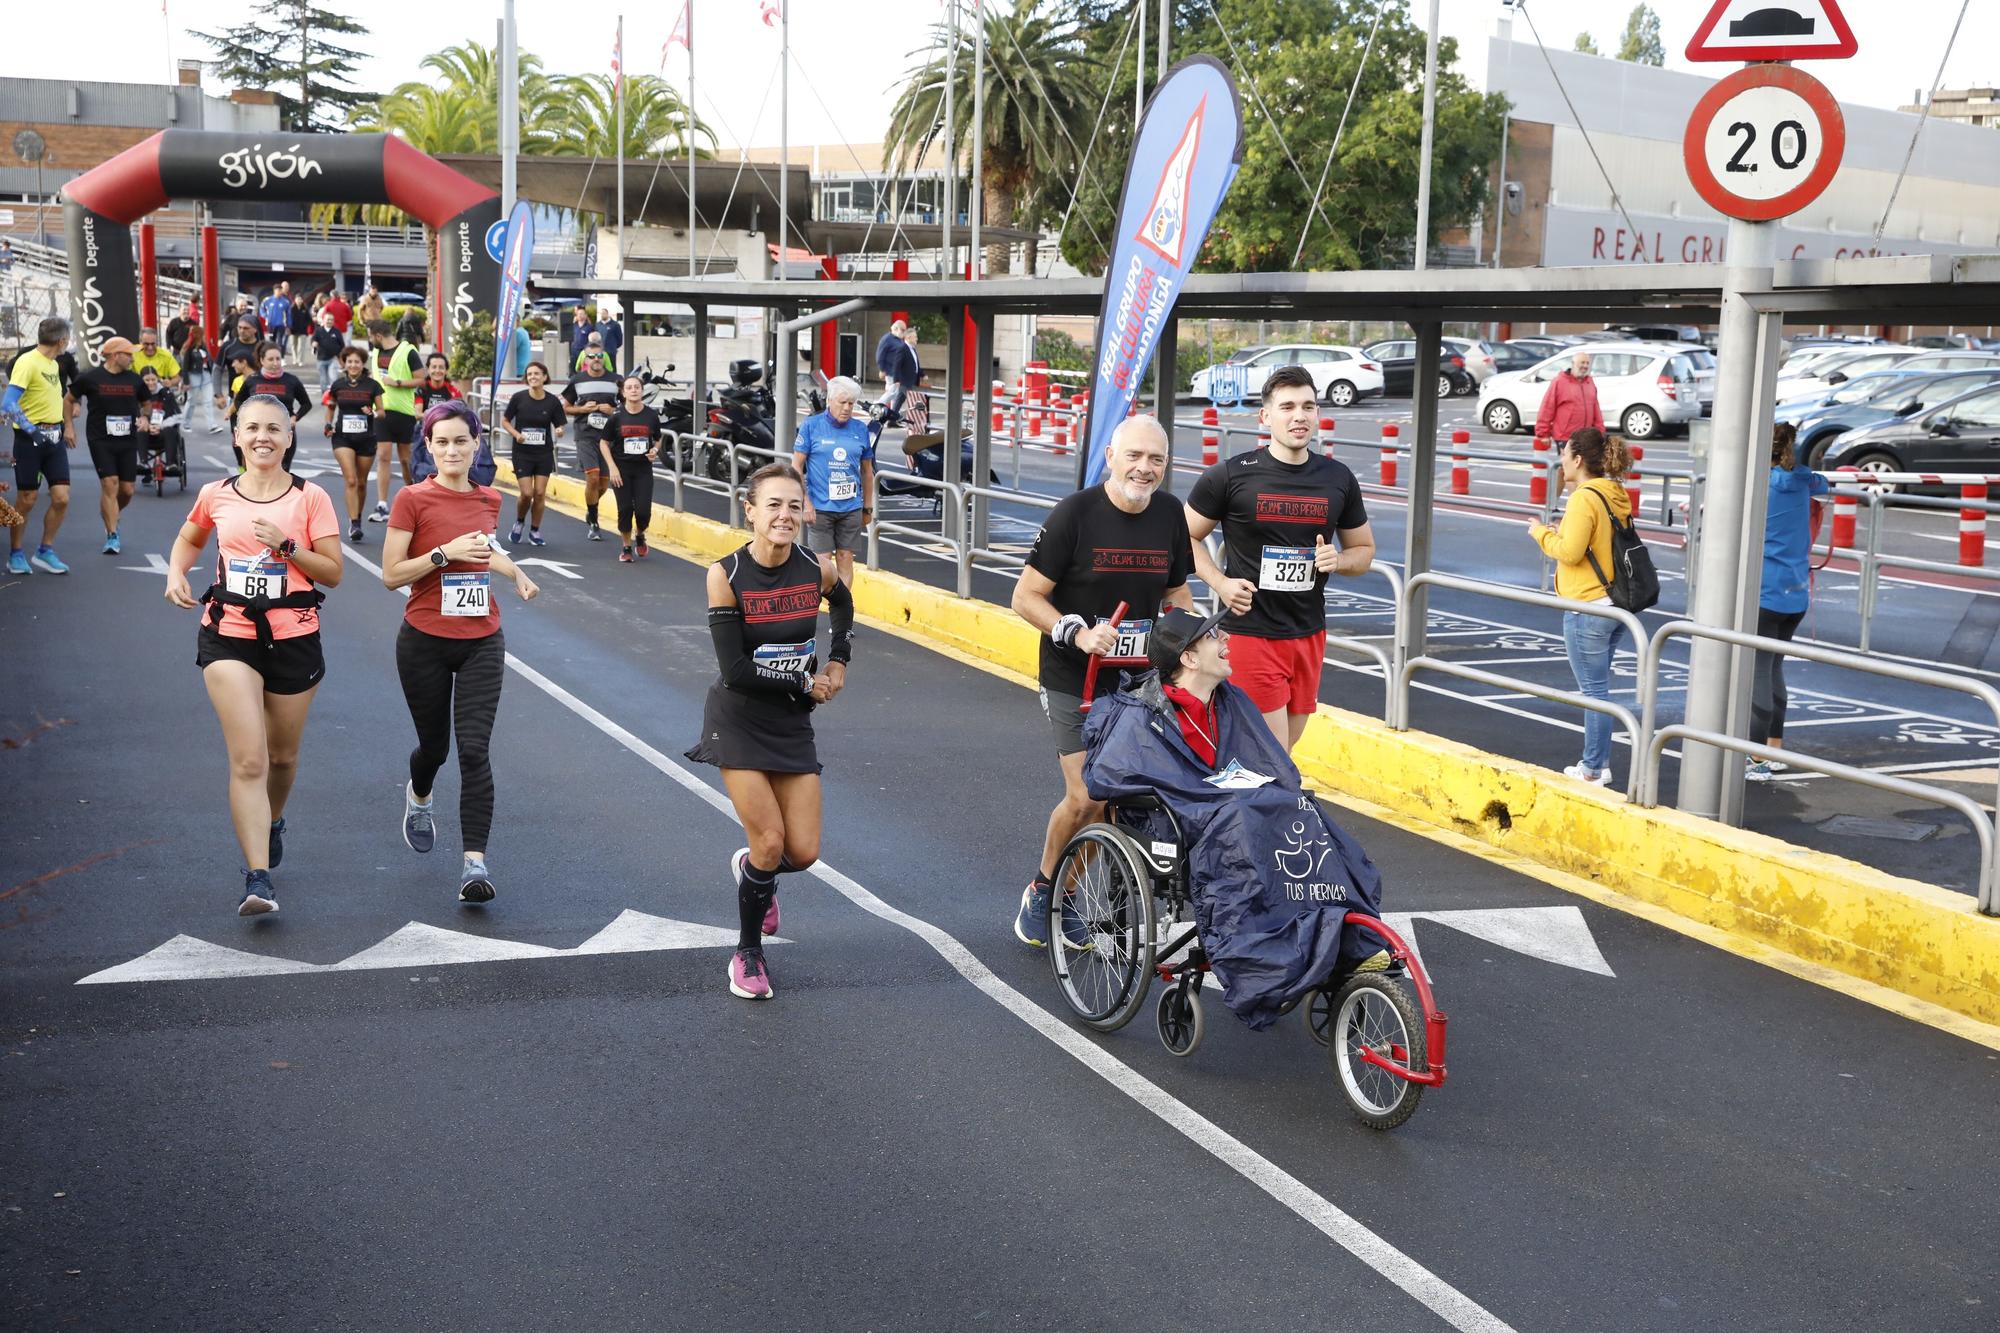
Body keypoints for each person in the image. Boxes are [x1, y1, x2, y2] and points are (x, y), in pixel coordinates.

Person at [1009, 416, 1194, 947]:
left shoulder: (1169, 515)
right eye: (1134, 456)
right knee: (1090, 794)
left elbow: (1176, 595)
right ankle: (1044, 890)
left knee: (1124, 799)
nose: (1145, 468)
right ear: (1110, 455)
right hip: (1076, 676)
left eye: (1155, 459)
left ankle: (1074, 893)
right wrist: (1074, 631)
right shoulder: (1076, 514)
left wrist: (1188, 643)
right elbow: (1025, 597)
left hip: (1139, 680)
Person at [163, 395, 344, 915]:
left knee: (283, 759)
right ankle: (257, 877)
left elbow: (332, 572)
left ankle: (273, 820)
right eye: (252, 428)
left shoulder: (311, 498)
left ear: (289, 438)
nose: (263, 436)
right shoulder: (217, 493)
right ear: (237, 436)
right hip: (229, 634)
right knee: (250, 759)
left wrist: (288, 547)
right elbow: (188, 539)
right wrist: (177, 571)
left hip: (293, 636)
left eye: (274, 428)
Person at [685, 462, 856, 1001]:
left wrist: (839, 662)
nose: (785, 516)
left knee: (801, 852)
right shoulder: (726, 574)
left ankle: (754, 870)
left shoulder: (815, 566)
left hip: (790, 720)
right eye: (773, 506)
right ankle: (747, 952)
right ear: (751, 511)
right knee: (770, 840)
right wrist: (805, 681)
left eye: (794, 506)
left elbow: (844, 603)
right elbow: (735, 670)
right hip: (737, 719)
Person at [382, 400, 539, 904]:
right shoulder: (411, 499)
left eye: (461, 440)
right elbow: (390, 575)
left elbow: (484, 549)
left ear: (477, 445)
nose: (452, 449)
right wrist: (442, 555)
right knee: (435, 749)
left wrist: (514, 572)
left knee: (474, 751)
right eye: (441, 441)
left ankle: (475, 864)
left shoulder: (489, 498)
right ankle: (420, 796)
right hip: (424, 640)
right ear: (428, 447)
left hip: (481, 639)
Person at [1185, 365, 1375, 750]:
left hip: (1308, 634)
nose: (1299, 416)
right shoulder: (1231, 475)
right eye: (1287, 406)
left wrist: (1338, 560)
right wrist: (1219, 581)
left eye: (1308, 406)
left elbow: (1364, 551)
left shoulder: (1338, 478)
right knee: (1272, 758)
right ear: (1265, 416)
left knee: (1281, 753)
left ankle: (1239, 809)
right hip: (1250, 634)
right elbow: (1182, 535)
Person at [1526, 426, 1633, 787]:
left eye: (1564, 454)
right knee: (1599, 688)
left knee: (1594, 692)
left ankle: (1591, 769)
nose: (1560, 460)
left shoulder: (1584, 497)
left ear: (1577, 459)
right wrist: (1561, 532)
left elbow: (1570, 553)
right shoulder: (1613, 492)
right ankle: (1598, 764)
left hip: (1587, 605)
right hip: (1613, 602)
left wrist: (1541, 533)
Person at [1748, 422, 1832, 781]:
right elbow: (1822, 485)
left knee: (1758, 673)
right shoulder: (1802, 479)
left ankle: (1755, 759)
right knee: (1775, 668)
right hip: (1796, 593)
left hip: (1765, 590)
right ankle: (1774, 747)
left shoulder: (1758, 485)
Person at [2, 316, 78, 575]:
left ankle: (45, 550)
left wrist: (65, 426)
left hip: (53, 439)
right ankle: (16, 553)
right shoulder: (27, 362)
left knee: (61, 498)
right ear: (62, 340)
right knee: (27, 498)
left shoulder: (54, 364)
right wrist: (34, 432)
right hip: (29, 440)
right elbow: (8, 404)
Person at [70, 335, 155, 555]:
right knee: (110, 483)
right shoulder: (91, 378)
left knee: (126, 490)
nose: (132, 358)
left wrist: (145, 417)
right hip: (101, 439)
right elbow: (69, 398)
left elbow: (146, 404)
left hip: (127, 440)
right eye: (129, 354)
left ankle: (111, 512)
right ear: (116, 355)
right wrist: (68, 426)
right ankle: (112, 534)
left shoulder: (135, 380)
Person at [791, 374, 875, 585]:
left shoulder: (860, 429)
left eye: (851, 403)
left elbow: (867, 471)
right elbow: (796, 466)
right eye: (842, 402)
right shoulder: (811, 426)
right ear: (830, 400)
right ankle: (817, 605)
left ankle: (842, 607)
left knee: (846, 558)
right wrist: (805, 502)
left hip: (851, 507)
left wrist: (867, 507)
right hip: (820, 507)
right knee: (822, 561)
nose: (847, 408)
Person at [324, 345, 384, 541]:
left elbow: (381, 412)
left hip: (366, 438)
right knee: (351, 479)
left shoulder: (372, 385)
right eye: (349, 361)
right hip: (342, 437)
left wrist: (372, 412)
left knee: (361, 483)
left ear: (362, 363)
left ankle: (357, 515)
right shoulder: (338, 385)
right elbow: (331, 406)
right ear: (344, 363)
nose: (353, 365)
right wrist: (328, 424)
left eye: (357, 361)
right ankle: (354, 524)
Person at [366, 317, 423, 523]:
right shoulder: (376, 353)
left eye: (371, 337)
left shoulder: (408, 351)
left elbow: (421, 378)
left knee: (406, 460)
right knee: (383, 456)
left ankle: (413, 498)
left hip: (404, 413)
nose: (370, 341)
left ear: (379, 336)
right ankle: (382, 504)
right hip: (381, 412)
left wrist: (398, 383)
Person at [561, 344, 620, 540]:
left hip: (608, 437)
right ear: (585, 359)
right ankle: (594, 522)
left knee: (603, 484)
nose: (596, 359)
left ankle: (590, 508)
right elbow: (566, 407)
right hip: (585, 435)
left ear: (604, 358)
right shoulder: (577, 380)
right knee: (593, 478)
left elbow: (625, 407)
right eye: (591, 356)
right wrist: (583, 409)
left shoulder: (615, 380)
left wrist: (611, 411)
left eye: (599, 356)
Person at [502, 361, 565, 545]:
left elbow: (559, 424)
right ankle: (520, 522)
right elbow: (505, 421)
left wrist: (559, 430)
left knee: (539, 493)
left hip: (544, 453)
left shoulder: (552, 401)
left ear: (544, 377)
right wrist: (516, 434)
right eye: (529, 374)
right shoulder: (519, 398)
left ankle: (535, 531)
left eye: (536, 374)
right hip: (522, 452)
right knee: (526, 493)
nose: (533, 377)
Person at [602, 373, 662, 563]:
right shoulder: (616, 417)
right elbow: (604, 443)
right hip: (621, 470)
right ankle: (626, 546)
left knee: (643, 511)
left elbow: (658, 439)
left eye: (637, 387)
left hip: (643, 469)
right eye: (629, 387)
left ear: (642, 390)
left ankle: (641, 534)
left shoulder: (651, 415)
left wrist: (654, 450)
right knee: (625, 508)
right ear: (623, 392)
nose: (633, 390)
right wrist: (612, 467)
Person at [230, 341, 312, 468]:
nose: (275, 363)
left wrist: (295, 417)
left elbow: (306, 404)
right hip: (257, 433)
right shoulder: (252, 380)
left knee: (282, 472)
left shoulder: (291, 380)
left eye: (278, 359)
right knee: (255, 471)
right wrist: (246, 415)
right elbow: (239, 400)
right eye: (271, 359)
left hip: (283, 432)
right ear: (262, 360)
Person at [1533, 350, 1604, 461]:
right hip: (1565, 436)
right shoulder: (1560, 382)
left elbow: (1595, 409)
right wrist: (1543, 433)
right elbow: (1547, 407)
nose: (1585, 366)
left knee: (1582, 470)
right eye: (1582, 363)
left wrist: (1600, 431)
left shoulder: (1589, 382)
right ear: (1573, 364)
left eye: (1587, 363)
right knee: (1567, 468)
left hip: (1585, 436)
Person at [137, 366, 184, 487]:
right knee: (140, 430)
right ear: (142, 381)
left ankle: (170, 464)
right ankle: (143, 463)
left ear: (157, 379)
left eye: (153, 379)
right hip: (145, 432)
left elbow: (177, 415)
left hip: (163, 431)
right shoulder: (136, 394)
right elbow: (131, 415)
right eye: (147, 380)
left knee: (170, 430)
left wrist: (160, 426)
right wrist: (145, 425)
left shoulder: (166, 393)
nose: (151, 383)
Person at [214, 315, 261, 429]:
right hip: (235, 397)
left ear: (255, 329)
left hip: (258, 397)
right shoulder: (228, 346)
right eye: (239, 328)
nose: (241, 331)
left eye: (246, 328)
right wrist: (218, 394)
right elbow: (217, 369)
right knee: (237, 436)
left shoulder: (262, 347)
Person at [413, 351, 462, 416]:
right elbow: (417, 414)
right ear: (428, 369)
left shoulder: (454, 391)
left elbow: (459, 414)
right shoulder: (421, 390)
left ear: (446, 371)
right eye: (434, 367)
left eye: (441, 367)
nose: (437, 371)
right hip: (425, 424)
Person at [874, 318, 908, 410]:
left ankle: (892, 414)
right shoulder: (887, 339)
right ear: (896, 329)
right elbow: (880, 355)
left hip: (896, 371)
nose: (904, 333)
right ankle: (878, 406)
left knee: (894, 393)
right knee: (893, 392)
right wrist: (882, 369)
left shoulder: (898, 340)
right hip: (890, 371)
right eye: (903, 330)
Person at [310, 312, 344, 395]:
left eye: (331, 320)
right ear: (324, 320)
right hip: (321, 359)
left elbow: (342, 345)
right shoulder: (318, 330)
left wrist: (341, 358)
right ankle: (324, 395)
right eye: (328, 319)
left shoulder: (336, 332)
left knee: (333, 378)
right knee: (323, 379)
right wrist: (314, 343)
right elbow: (313, 339)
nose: (329, 321)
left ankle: (334, 395)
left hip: (333, 359)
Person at [289, 293, 312, 366]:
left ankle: (300, 360)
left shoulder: (305, 309)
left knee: (301, 346)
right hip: (293, 330)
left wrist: (305, 325)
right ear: (295, 300)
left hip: (302, 331)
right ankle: (295, 359)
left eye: (300, 299)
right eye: (298, 299)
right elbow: (288, 319)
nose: (299, 301)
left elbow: (309, 320)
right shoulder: (291, 309)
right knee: (293, 345)